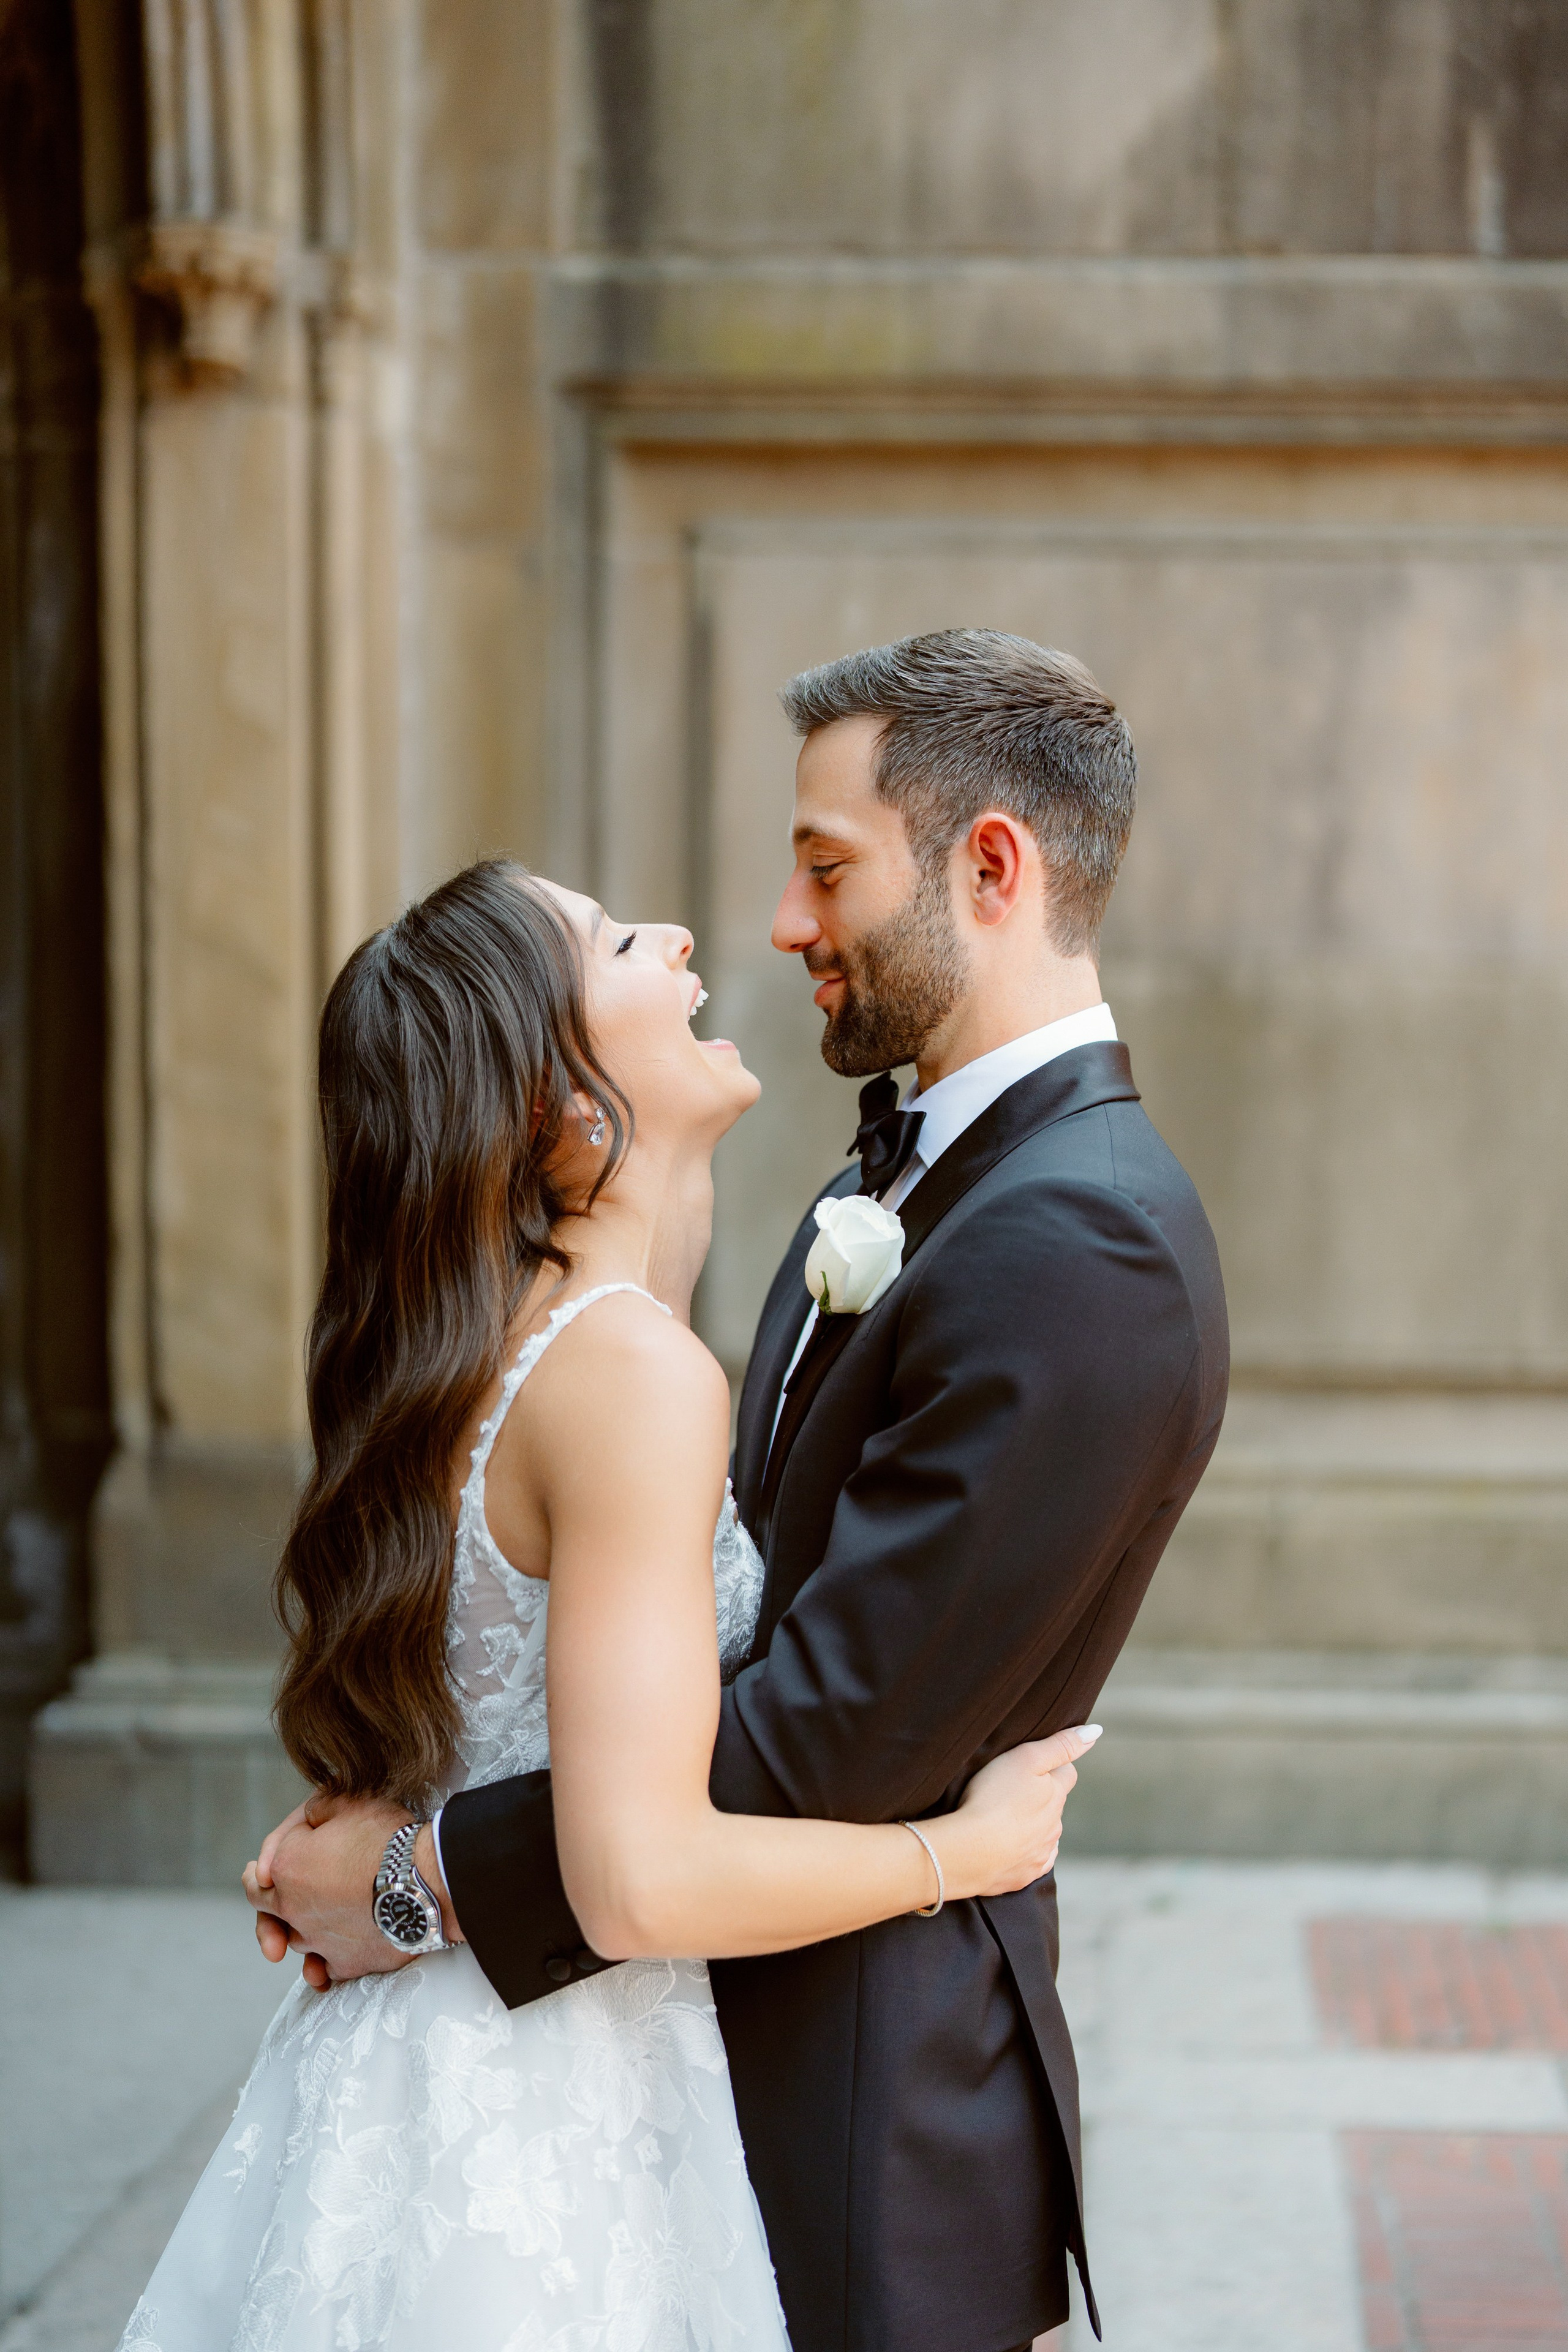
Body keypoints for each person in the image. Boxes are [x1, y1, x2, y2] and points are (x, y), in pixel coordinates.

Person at [247, 628, 1229, 2352]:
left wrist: (415, 1881)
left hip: (853, 2117)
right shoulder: (898, 1185)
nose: (781, 927)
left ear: (989, 866)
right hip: (655, 2087)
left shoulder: (1082, 1242)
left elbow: (824, 1745)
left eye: (825, 867)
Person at [119, 854, 1091, 2352]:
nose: (691, 934)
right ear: (555, 1101)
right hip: (546, 2103)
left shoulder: (470, 1359)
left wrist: (395, 1880)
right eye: (623, 942)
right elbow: (635, 1882)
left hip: (395, 2068)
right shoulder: (626, 1375)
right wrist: (950, 1854)